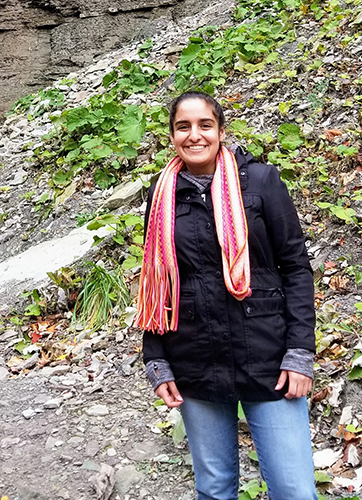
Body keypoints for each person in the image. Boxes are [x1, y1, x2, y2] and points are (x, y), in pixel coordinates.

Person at [136, 91, 317, 500]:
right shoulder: (161, 195)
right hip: (195, 360)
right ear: (171, 136)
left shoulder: (262, 182)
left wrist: (300, 352)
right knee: (215, 489)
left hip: (269, 357)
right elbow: (156, 280)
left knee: (294, 490)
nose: (194, 135)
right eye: (183, 127)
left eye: (204, 125)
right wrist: (157, 358)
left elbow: (295, 268)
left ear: (221, 130)